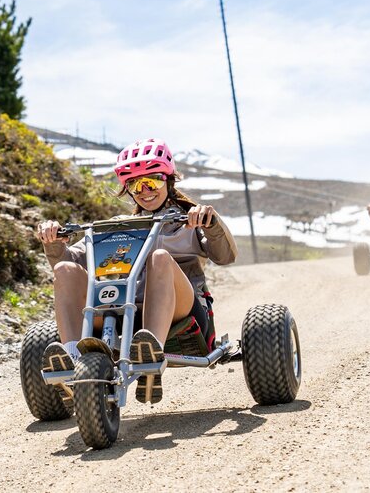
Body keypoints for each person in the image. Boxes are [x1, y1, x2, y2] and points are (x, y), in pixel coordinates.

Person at [36, 138, 238, 404]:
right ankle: (73, 359)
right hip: (122, 313)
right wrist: (52, 243)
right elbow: (70, 269)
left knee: (160, 258)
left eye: (152, 181)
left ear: (168, 180)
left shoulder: (190, 220)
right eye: (134, 184)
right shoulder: (120, 226)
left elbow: (226, 256)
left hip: (183, 313)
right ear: (127, 189)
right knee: (64, 268)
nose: (144, 190)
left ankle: (150, 349)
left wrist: (211, 224)